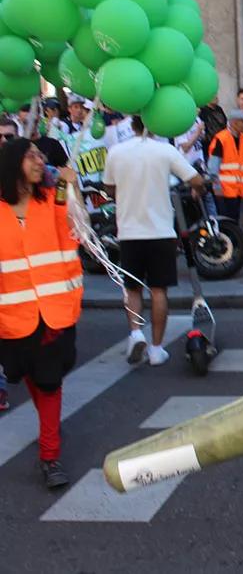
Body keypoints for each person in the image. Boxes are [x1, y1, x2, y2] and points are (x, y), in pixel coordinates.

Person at [0, 139, 83, 487]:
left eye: (40, 155)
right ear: (14, 164)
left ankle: (50, 456)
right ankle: (49, 431)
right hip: (11, 320)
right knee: (33, 378)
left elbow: (76, 225)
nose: (40, 161)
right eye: (31, 155)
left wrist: (71, 186)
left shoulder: (52, 199)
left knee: (49, 384)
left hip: (54, 313)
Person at [105, 117, 205, 366]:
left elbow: (108, 189)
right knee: (159, 290)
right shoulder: (165, 151)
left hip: (129, 231)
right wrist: (197, 189)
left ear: (133, 126)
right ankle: (156, 348)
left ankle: (136, 333)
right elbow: (196, 180)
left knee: (132, 288)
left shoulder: (116, 152)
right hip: (161, 231)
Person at [207, 110, 243, 221]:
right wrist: (216, 186)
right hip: (224, 190)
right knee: (226, 221)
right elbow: (213, 167)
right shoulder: (221, 139)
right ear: (234, 123)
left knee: (234, 220)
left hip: (237, 189)